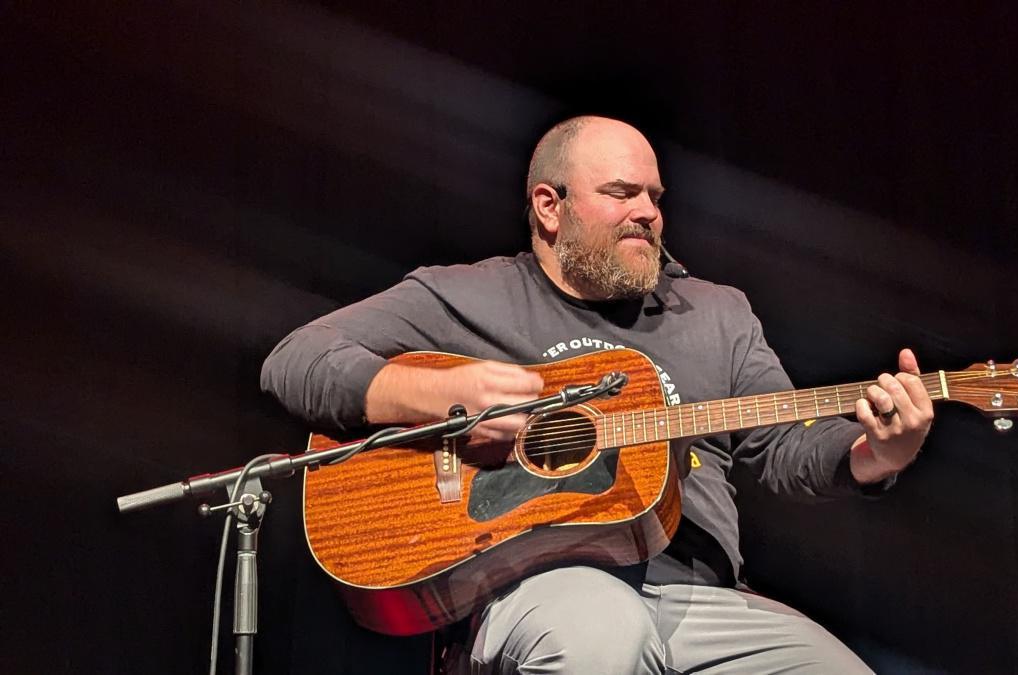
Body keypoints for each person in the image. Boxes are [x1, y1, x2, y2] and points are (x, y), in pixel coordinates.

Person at [261, 116, 933, 673]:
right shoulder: (468, 296)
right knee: (605, 638)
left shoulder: (715, 312)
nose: (647, 212)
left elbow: (785, 451)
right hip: (541, 583)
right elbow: (294, 360)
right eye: (621, 192)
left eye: (655, 197)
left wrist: (879, 450)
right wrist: (438, 393)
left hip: (704, 600)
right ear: (550, 207)